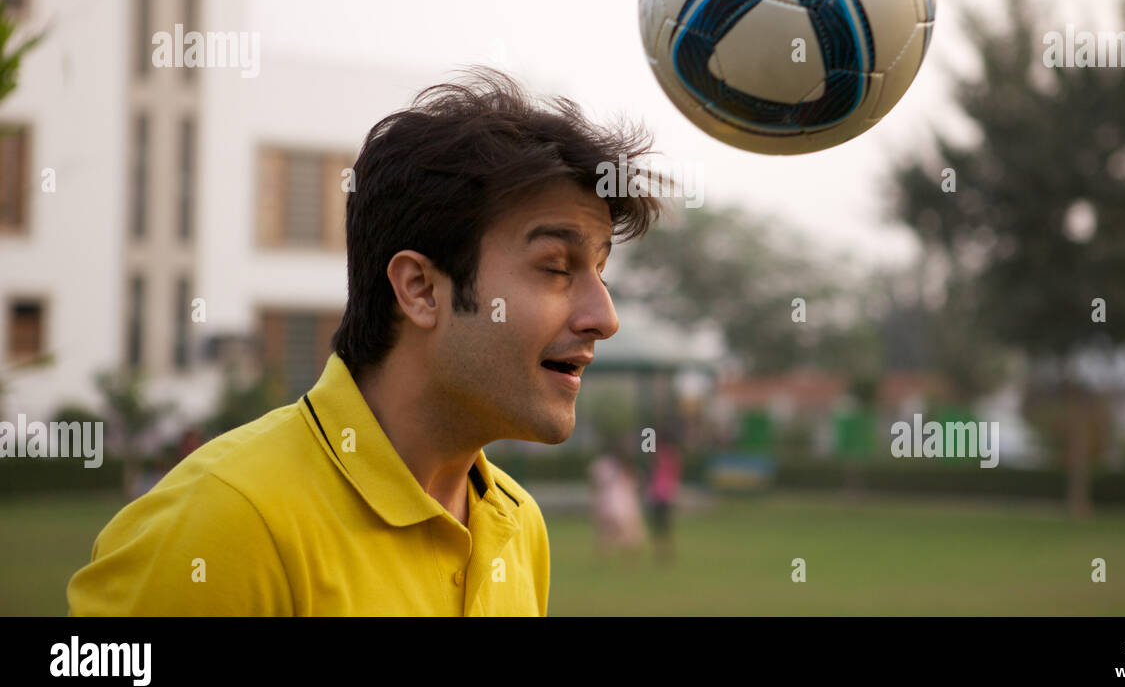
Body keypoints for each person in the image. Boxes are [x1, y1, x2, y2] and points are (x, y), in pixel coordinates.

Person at [67, 67, 667, 615]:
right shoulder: (227, 519)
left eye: (600, 272)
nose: (603, 316)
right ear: (421, 289)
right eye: (557, 268)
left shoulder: (517, 522)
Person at [589, 440, 646, 558]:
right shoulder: (609, 466)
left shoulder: (614, 466)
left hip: (616, 503)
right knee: (621, 533)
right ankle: (621, 556)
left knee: (613, 534)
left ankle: (613, 556)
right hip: (617, 503)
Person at [647, 434, 683, 565]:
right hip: (666, 495)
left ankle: (662, 552)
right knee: (665, 527)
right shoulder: (673, 455)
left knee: (659, 527)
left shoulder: (660, 456)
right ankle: (666, 552)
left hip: (659, 495)